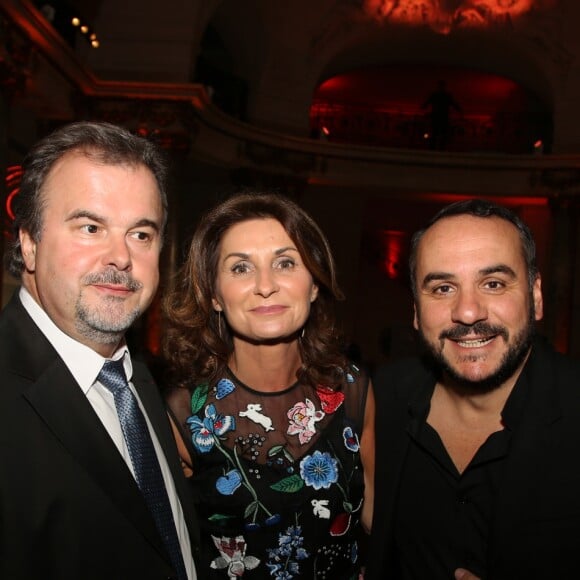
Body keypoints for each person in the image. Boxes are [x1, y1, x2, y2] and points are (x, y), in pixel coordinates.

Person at [0, 121, 200, 579]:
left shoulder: (138, 380)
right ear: (29, 244)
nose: (121, 257)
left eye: (141, 234)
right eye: (91, 227)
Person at [163, 192, 375, 579]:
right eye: (241, 268)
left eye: (285, 263)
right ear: (213, 295)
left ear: (313, 284)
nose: (265, 285)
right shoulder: (183, 413)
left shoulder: (355, 390)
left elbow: (384, 524)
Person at [367, 198, 580, 579]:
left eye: (494, 283)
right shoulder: (380, 399)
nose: (468, 312)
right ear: (416, 311)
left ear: (535, 296)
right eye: (443, 287)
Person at [422, 80, 462, 150]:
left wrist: (424, 106)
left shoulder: (436, 95)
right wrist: (459, 109)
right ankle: (439, 148)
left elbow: (427, 102)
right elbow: (454, 104)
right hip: (442, 117)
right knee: (440, 133)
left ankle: (434, 148)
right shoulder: (445, 96)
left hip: (437, 117)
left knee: (436, 133)